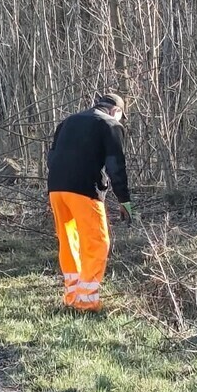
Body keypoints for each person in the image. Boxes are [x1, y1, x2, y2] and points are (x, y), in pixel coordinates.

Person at [47, 93, 133, 312]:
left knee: (69, 243)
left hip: (56, 189)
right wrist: (124, 200)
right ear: (116, 111)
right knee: (97, 243)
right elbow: (115, 165)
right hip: (84, 189)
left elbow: (52, 156)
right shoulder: (110, 124)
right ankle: (87, 302)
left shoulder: (68, 121)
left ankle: (72, 296)